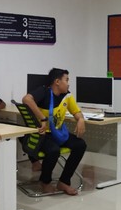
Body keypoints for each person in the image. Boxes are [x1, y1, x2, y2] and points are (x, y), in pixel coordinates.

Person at [22, 67, 86, 195]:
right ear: (57, 81)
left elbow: (76, 112)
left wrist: (80, 120)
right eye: (66, 80)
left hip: (58, 133)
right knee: (53, 150)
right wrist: (43, 118)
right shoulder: (44, 91)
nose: (68, 83)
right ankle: (45, 181)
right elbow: (26, 99)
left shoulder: (67, 95)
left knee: (80, 145)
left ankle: (64, 181)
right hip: (43, 134)